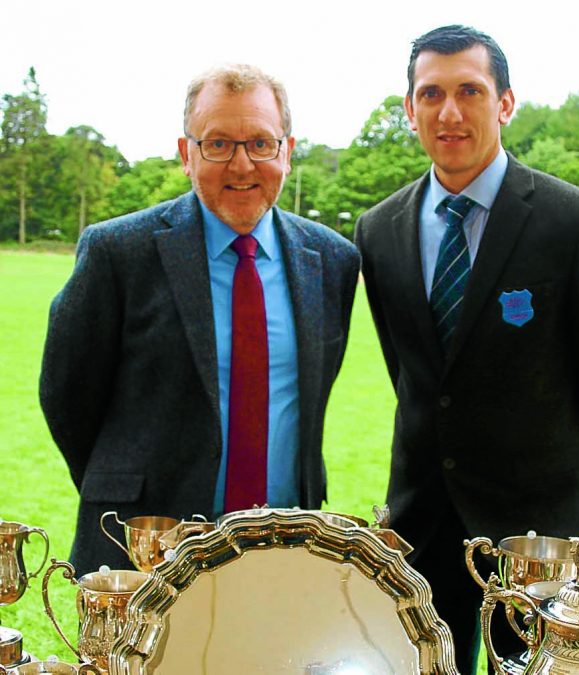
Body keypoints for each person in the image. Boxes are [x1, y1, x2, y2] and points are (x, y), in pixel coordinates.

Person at [354, 25, 579, 674]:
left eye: (471, 90)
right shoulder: (377, 230)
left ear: (506, 103)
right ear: (409, 109)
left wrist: (569, 485)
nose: (450, 111)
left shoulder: (574, 222)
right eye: (430, 94)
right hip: (421, 527)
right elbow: (415, 372)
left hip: (538, 536)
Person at [40, 64, 360, 575]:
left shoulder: (333, 260)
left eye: (260, 143)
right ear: (187, 153)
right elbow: (66, 395)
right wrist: (122, 488)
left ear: (288, 150)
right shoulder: (118, 253)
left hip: (283, 549)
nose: (241, 165)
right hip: (143, 550)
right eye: (218, 144)